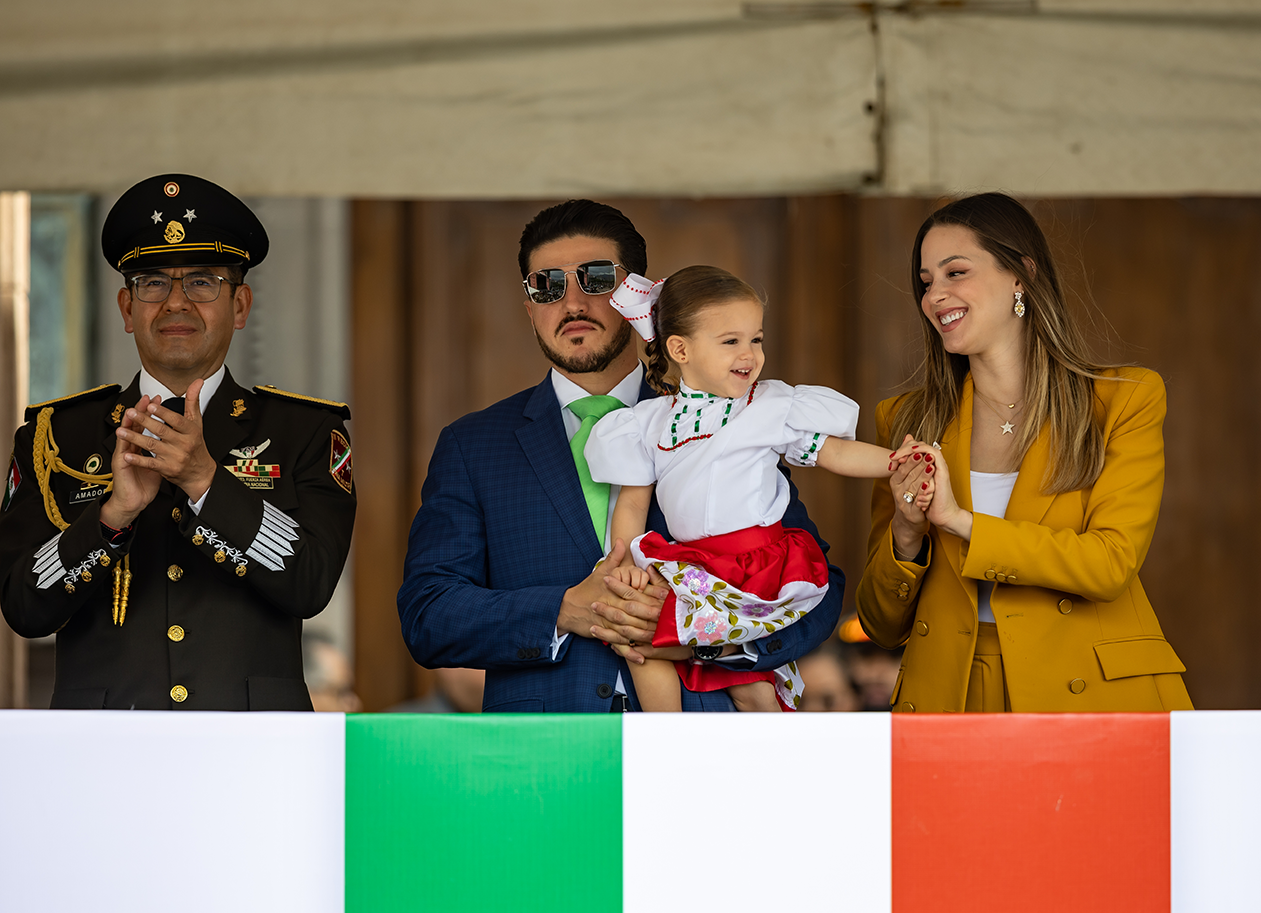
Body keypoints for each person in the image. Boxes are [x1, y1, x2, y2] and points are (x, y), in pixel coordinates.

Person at [397, 200, 844, 711]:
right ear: (530, 309)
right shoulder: (473, 445)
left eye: (596, 278)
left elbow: (818, 583)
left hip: (702, 740)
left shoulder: (729, 415)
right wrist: (564, 609)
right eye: (547, 286)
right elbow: (428, 613)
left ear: (639, 297)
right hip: (548, 749)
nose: (571, 303)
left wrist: (711, 639)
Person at [0, 173, 357, 710]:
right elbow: (23, 607)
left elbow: (311, 582)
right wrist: (110, 518)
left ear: (241, 306)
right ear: (127, 309)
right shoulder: (55, 437)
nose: (175, 303)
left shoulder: (303, 432)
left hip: (251, 743)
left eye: (202, 282)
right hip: (103, 743)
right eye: (152, 282)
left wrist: (206, 483)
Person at [855, 192, 1192, 712]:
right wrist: (907, 533)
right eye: (926, 282)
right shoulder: (904, 420)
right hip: (954, 698)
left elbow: (1109, 564)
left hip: (1094, 696)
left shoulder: (1123, 400)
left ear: (1021, 275)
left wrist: (960, 522)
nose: (935, 296)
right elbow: (881, 624)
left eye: (955, 272)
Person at [584, 266, 903, 711]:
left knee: (748, 684)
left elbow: (833, 453)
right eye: (731, 341)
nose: (750, 353)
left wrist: (897, 463)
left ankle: (764, 747)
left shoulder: (769, 405)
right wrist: (623, 564)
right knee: (639, 641)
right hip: (694, 568)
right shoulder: (648, 423)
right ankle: (665, 736)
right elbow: (632, 504)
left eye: (756, 339)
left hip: (755, 566)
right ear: (680, 349)